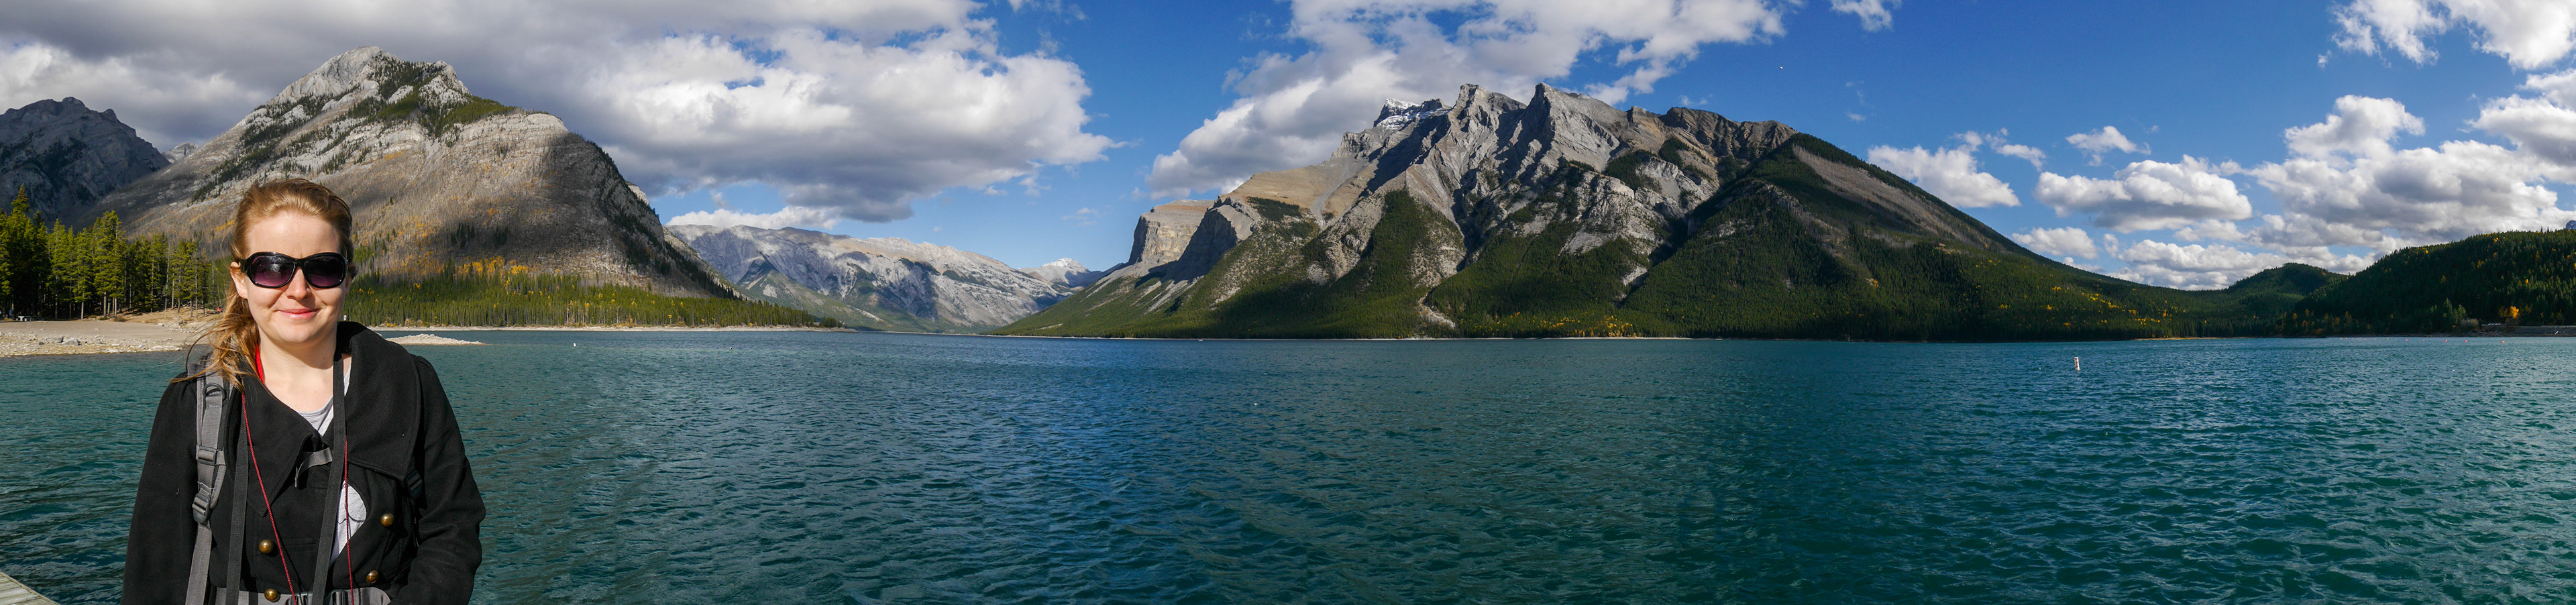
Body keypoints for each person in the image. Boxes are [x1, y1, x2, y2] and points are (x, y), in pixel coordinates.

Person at [123, 179, 482, 604]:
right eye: (272, 268)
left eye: (323, 268)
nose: (298, 290)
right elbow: (157, 566)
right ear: (241, 279)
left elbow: (453, 529)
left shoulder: (409, 384)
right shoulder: (197, 402)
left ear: (347, 279)